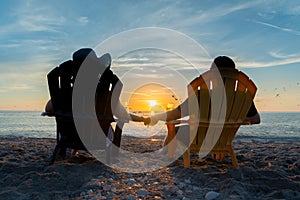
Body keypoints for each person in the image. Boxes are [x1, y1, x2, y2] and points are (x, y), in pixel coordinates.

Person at [145, 56, 260, 126]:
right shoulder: (243, 98)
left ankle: (165, 154)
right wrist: (230, 118)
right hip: (224, 138)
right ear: (234, 76)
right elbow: (256, 119)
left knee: (174, 130)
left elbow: (175, 115)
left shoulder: (201, 96)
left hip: (199, 137)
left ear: (211, 75)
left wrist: (155, 117)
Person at [45, 48, 146, 123]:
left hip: (69, 136)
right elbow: (124, 115)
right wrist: (143, 119)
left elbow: (48, 109)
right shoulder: (105, 97)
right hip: (97, 139)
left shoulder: (66, 94)